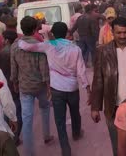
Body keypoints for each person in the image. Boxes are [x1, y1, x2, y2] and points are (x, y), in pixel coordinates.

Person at [18, 22, 90, 156]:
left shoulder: (48, 46)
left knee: (60, 120)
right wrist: (87, 88)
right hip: (73, 87)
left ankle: (65, 149)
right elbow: (81, 71)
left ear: (53, 33)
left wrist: (19, 39)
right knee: (75, 113)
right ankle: (76, 133)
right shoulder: (75, 49)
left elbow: (26, 46)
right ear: (66, 33)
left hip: (56, 89)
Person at [90, 17, 126, 156]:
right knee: (118, 147)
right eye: (119, 33)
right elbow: (98, 80)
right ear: (112, 32)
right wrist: (95, 107)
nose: (122, 36)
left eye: (125, 32)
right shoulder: (103, 51)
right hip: (114, 107)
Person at [10, 16, 53, 156]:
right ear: (35, 29)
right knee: (45, 108)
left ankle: (28, 152)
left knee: (27, 118)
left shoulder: (15, 46)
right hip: (39, 85)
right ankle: (47, 135)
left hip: (24, 86)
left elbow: (14, 69)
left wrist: (15, 83)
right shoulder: (39, 45)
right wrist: (48, 85)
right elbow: (44, 68)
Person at [0, 30, 22, 142]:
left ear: (6, 40)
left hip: (4, 84)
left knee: (5, 110)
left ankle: (8, 137)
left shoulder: (0, 53)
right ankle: (15, 137)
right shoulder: (18, 51)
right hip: (16, 84)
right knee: (17, 111)